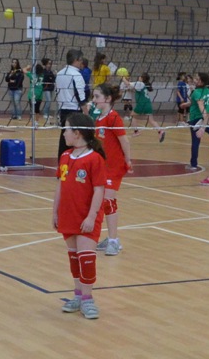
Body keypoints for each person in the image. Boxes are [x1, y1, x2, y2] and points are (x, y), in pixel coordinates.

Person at [53, 113, 106, 320]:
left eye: (66, 129)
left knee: (86, 258)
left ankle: (87, 299)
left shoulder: (94, 158)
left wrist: (92, 217)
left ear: (77, 133)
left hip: (86, 215)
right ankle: (77, 295)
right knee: (74, 258)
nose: (63, 133)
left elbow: (99, 190)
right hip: (68, 214)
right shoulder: (65, 156)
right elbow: (60, 186)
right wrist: (55, 212)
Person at [92, 82, 131, 255]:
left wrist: (128, 160)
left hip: (114, 166)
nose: (94, 100)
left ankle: (114, 241)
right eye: (93, 96)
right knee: (102, 202)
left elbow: (124, 141)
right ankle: (111, 238)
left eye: (97, 97)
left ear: (107, 99)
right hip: (103, 166)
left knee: (108, 201)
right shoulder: (99, 118)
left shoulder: (113, 117)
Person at [55, 48, 86, 134]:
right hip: (74, 111)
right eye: (81, 60)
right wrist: (87, 114)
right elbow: (80, 96)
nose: (82, 62)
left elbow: (56, 92)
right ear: (76, 60)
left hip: (62, 111)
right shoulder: (76, 75)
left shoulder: (59, 74)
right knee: (75, 136)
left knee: (65, 134)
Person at [186, 73, 209, 172]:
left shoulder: (196, 92)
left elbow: (201, 106)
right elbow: (198, 103)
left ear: (201, 82)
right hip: (206, 118)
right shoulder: (207, 90)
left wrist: (205, 119)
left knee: (195, 142)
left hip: (196, 119)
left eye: (197, 79)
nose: (194, 80)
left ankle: (193, 164)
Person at [131, 72, 162, 139]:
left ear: (142, 78)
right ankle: (160, 131)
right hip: (148, 104)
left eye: (140, 76)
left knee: (133, 116)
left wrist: (122, 77)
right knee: (151, 120)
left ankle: (136, 131)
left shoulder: (140, 83)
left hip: (141, 104)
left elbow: (127, 83)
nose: (139, 77)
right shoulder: (144, 85)